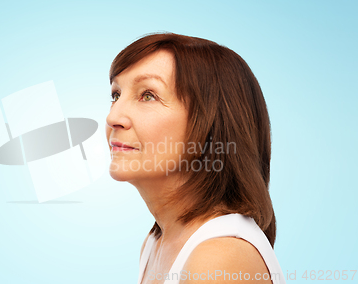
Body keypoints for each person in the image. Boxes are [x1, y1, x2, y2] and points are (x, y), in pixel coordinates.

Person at [105, 33, 286, 284]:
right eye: (116, 94)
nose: (113, 117)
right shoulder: (155, 244)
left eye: (148, 95)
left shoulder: (216, 259)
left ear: (212, 125)